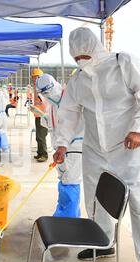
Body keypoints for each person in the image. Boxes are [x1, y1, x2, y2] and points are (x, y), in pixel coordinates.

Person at [53, 27, 140, 262]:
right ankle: (103, 243)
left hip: (129, 148)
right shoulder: (79, 80)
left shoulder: (122, 64)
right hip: (95, 149)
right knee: (96, 200)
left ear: (95, 48)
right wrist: (62, 144)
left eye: (85, 54)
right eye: (76, 56)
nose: (81, 59)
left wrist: (139, 130)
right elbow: (69, 113)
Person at [36, 73, 84, 218]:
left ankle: (67, 219)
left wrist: (64, 145)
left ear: (55, 85)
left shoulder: (71, 100)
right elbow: (53, 124)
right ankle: (68, 214)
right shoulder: (51, 104)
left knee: (71, 182)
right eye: (44, 93)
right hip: (59, 149)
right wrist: (42, 116)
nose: (47, 95)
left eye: (48, 91)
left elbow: (75, 123)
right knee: (64, 180)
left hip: (74, 147)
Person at [30, 68, 49, 162]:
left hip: (43, 116)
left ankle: (44, 155)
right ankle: (39, 153)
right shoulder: (36, 87)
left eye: (35, 77)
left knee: (41, 136)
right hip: (38, 115)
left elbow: (45, 102)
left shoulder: (43, 88)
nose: (33, 79)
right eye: (33, 77)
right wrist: (33, 108)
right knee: (38, 137)